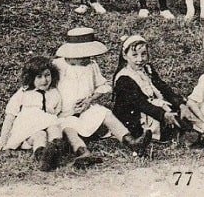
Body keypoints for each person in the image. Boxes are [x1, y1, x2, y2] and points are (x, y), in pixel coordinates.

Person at [53, 28, 150, 166]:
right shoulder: (57, 66)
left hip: (86, 109)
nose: (85, 59)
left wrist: (90, 100)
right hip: (65, 113)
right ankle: (83, 153)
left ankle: (132, 142)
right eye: (81, 56)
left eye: (88, 55)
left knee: (105, 113)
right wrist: (61, 110)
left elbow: (104, 85)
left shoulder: (91, 65)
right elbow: (47, 90)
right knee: (69, 129)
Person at [112, 35, 195, 146]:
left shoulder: (147, 68)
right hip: (134, 114)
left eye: (143, 54)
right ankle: (181, 135)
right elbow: (140, 103)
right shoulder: (124, 78)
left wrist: (180, 104)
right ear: (125, 56)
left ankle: (191, 132)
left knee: (184, 107)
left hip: (150, 105)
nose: (140, 59)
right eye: (135, 55)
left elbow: (163, 88)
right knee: (164, 116)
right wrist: (163, 114)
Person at [0, 56, 65, 171]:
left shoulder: (54, 92)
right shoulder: (24, 92)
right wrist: (3, 141)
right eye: (39, 77)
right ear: (31, 78)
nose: (44, 80)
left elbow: (57, 113)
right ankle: (42, 157)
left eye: (47, 75)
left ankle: (54, 148)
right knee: (40, 135)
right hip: (27, 129)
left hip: (48, 124)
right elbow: (10, 116)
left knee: (54, 127)